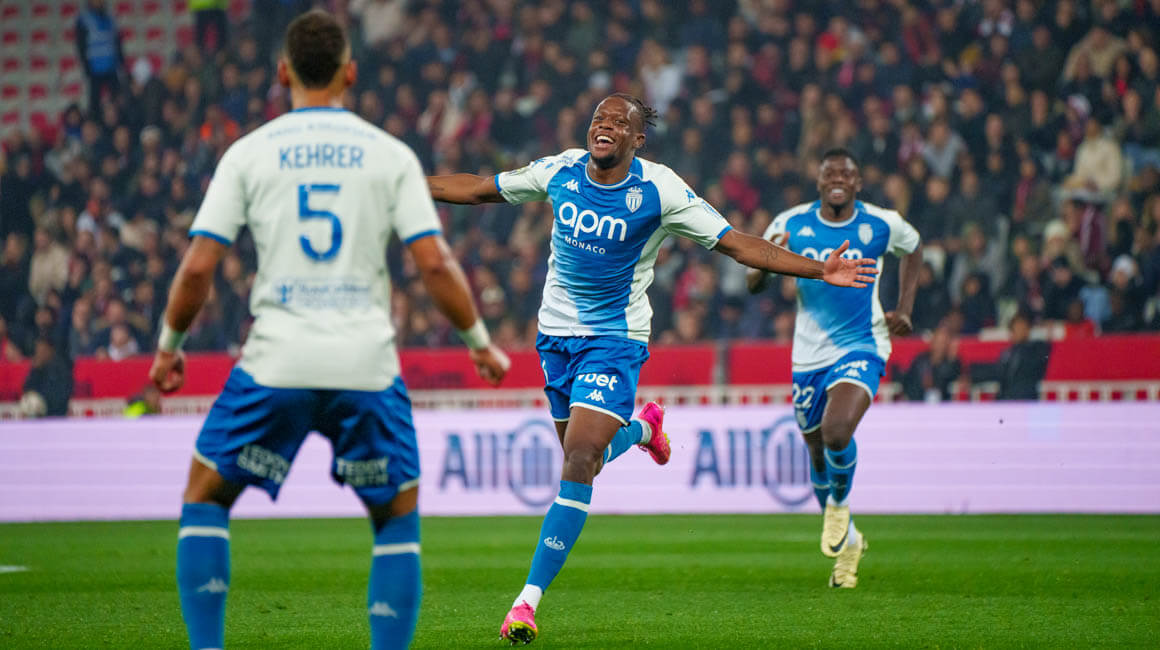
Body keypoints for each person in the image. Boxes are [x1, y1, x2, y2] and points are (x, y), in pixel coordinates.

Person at [428, 95, 876, 644]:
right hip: (555, 339)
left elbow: (738, 245)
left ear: (637, 140)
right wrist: (409, 186)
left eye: (619, 122)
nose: (605, 126)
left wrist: (817, 269)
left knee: (579, 459)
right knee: (583, 458)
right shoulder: (560, 170)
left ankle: (526, 602)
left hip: (614, 341)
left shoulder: (661, 190)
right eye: (599, 118)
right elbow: (479, 188)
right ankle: (644, 430)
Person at [147, 12, 510, 650]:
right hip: (364, 364)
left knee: (206, 494)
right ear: (351, 73)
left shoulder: (248, 153)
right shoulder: (391, 155)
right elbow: (434, 263)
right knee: (395, 514)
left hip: (277, 361)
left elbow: (199, 266)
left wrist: (168, 349)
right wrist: (480, 343)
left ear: (282, 72)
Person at [747, 148, 922, 589]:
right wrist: (768, 263)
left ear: (858, 182)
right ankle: (850, 543)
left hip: (863, 344)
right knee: (816, 453)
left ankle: (840, 508)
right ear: (819, 181)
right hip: (808, 356)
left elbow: (915, 247)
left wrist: (904, 307)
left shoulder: (881, 223)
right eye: (831, 174)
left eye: (847, 173)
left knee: (836, 431)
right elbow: (753, 282)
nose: (838, 179)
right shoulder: (790, 223)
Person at [75, 0, 126, 116]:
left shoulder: (111, 19)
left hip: (111, 67)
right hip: (94, 68)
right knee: (95, 103)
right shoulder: (84, 20)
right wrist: (86, 67)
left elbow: (117, 43)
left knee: (117, 100)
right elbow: (81, 46)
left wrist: (121, 63)